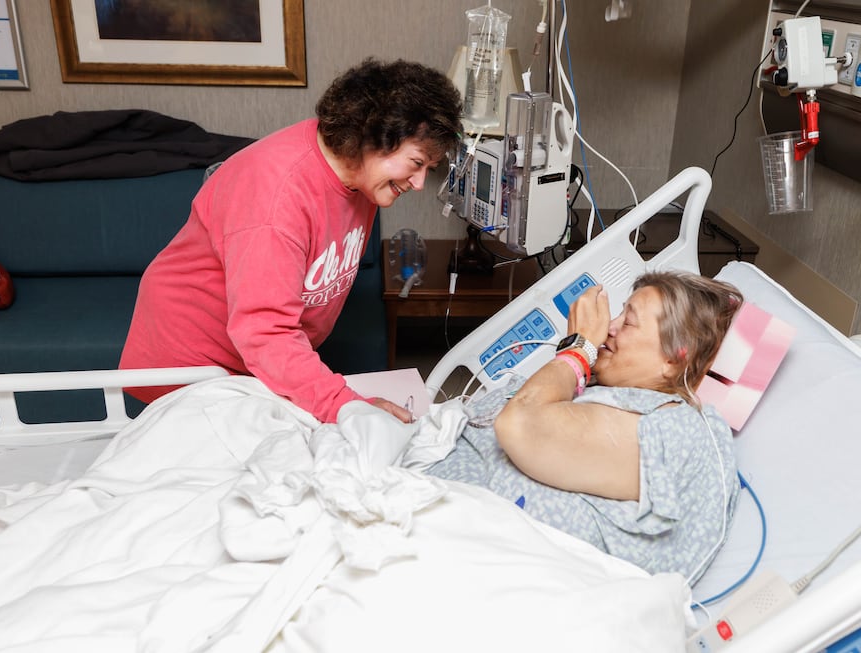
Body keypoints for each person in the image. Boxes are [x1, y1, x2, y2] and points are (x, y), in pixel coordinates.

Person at [119, 59, 462, 424]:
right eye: (416, 163)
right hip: (191, 367)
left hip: (252, 364)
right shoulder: (276, 197)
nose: (419, 183)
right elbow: (265, 333)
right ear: (370, 136)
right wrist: (345, 405)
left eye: (428, 169)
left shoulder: (361, 178)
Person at [426, 271, 744, 582]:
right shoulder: (600, 390)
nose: (610, 327)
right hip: (429, 509)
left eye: (628, 322)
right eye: (619, 313)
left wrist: (579, 349)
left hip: (459, 559)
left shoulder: (672, 429)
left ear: (673, 359)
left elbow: (520, 425)